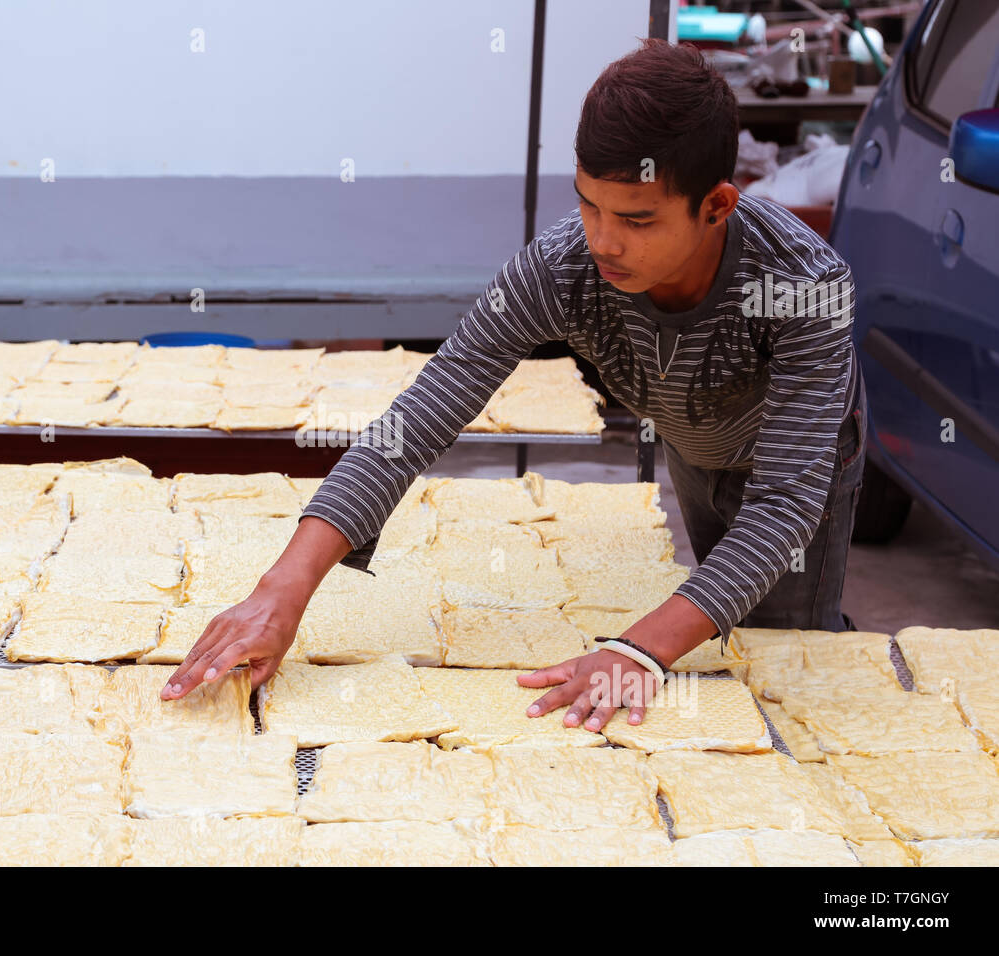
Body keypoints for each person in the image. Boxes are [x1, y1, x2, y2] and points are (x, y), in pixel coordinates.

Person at [162, 38, 866, 732]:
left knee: (781, 667)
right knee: (718, 628)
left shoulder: (804, 285)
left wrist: (636, 649)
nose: (604, 242)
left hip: (798, 471)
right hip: (693, 438)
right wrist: (282, 587)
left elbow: (782, 503)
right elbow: (421, 415)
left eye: (637, 219)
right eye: (589, 206)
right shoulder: (563, 269)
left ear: (716, 206)